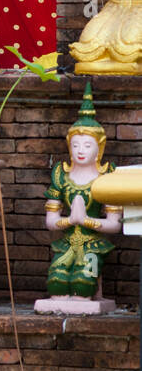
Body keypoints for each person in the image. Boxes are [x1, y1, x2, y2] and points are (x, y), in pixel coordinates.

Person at [43, 85, 122, 300]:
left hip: (93, 243)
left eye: (87, 145)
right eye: (76, 145)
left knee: (81, 285)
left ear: (100, 148)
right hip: (67, 241)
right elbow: (50, 221)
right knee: (56, 284)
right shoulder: (61, 175)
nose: (80, 150)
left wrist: (85, 220)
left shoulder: (106, 177)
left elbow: (115, 224)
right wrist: (69, 220)